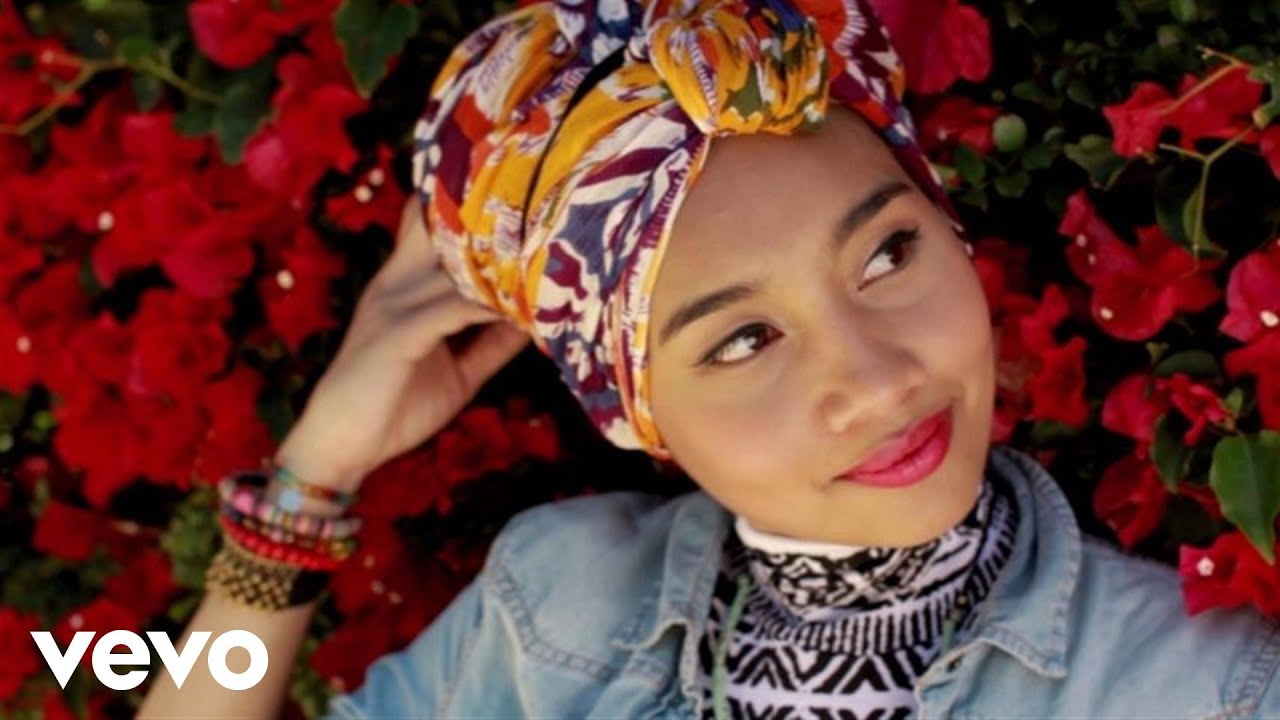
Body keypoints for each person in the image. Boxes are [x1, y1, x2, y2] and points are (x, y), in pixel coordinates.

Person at [138, 0, 1280, 718]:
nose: (879, 380)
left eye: (886, 253)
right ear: (628, 410)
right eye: (742, 339)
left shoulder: (1208, 690)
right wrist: (314, 477)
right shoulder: (553, 611)